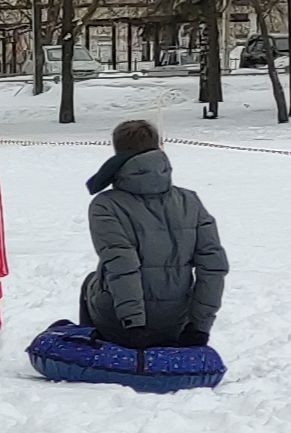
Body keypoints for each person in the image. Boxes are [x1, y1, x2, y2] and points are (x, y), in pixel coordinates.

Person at [78, 118, 228, 348]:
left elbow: (122, 264)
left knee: (91, 283)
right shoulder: (190, 200)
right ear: (159, 146)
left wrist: (134, 325)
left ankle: (93, 350)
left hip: (121, 325)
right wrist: (199, 327)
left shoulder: (105, 205)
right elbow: (213, 266)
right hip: (178, 322)